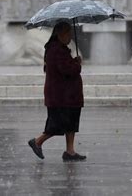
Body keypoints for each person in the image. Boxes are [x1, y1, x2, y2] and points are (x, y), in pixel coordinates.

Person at [28, 21, 86, 161]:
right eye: (67, 34)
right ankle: (37, 141)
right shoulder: (56, 50)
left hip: (68, 96)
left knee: (71, 124)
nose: (70, 37)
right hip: (61, 96)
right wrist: (77, 65)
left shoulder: (59, 49)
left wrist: (73, 61)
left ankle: (70, 152)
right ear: (60, 34)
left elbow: (65, 65)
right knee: (57, 125)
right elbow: (66, 70)